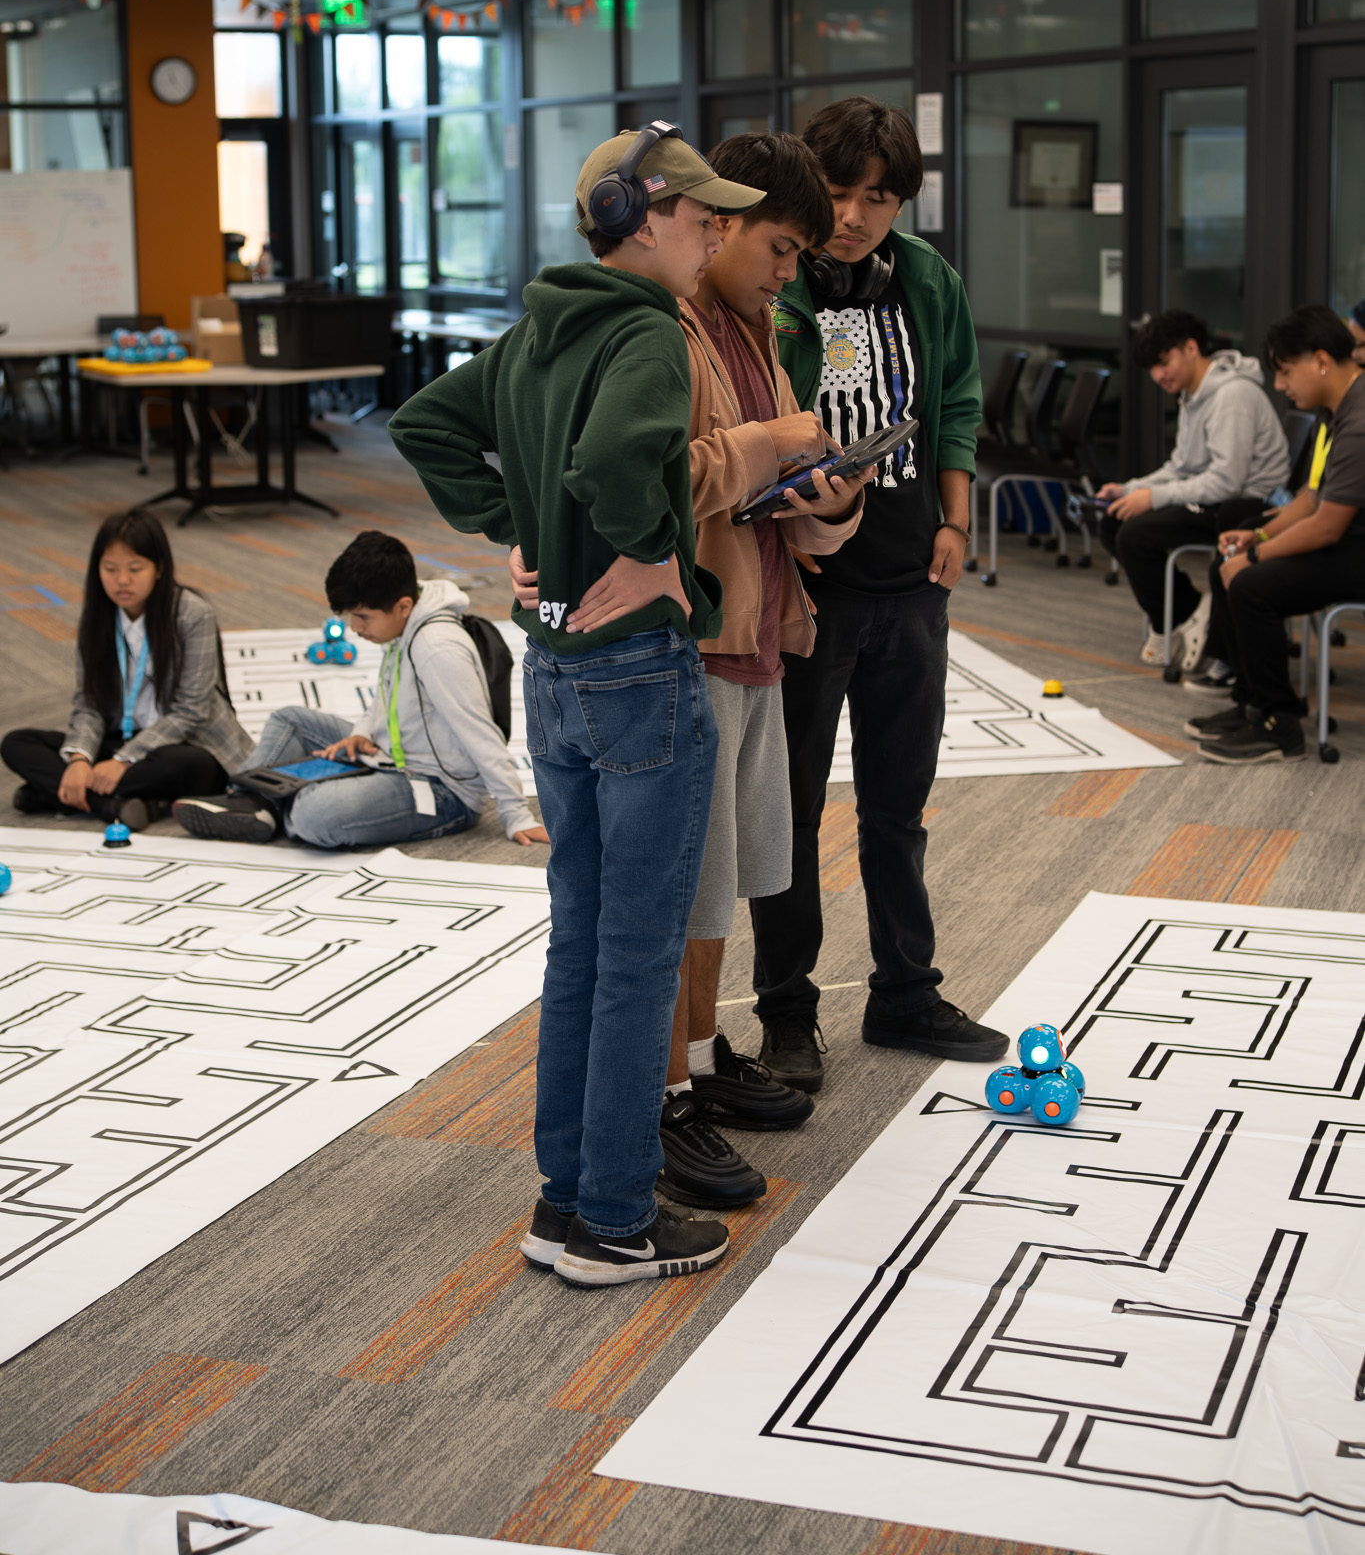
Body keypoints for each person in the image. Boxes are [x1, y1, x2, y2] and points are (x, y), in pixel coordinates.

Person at [390, 125, 769, 1288]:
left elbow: (426, 425)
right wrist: (660, 557)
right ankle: (612, 1216)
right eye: (699, 214)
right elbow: (616, 464)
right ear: (642, 217)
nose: (713, 232)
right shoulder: (653, 331)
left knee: (583, 947)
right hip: (639, 675)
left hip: (552, 670)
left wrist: (515, 533)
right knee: (639, 953)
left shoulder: (534, 331)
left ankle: (565, 1199)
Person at [752, 95, 1007, 1096]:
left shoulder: (927, 278)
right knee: (795, 806)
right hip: (810, 582)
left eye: (878, 196)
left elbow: (955, 399)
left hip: (911, 582)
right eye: (842, 192)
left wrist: (954, 518)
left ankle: (905, 988)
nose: (855, 215)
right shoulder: (775, 278)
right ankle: (786, 1009)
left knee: (897, 808)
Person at [653, 131, 870, 1210]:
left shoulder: (759, 328)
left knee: (718, 882)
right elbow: (657, 483)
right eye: (779, 248)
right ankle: (669, 1091)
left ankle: (698, 1056)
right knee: (677, 887)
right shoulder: (661, 326)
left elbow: (784, 497)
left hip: (761, 630)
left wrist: (827, 494)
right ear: (717, 221)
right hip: (691, 639)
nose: (790, 274)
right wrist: (777, 445)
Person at [174, 531, 545, 852]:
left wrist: (514, 813)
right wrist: (361, 733)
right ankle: (251, 802)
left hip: (439, 789)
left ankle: (265, 807)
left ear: (402, 606)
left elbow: (480, 732)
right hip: (386, 754)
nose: (354, 628)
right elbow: (388, 693)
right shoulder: (408, 617)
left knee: (313, 813)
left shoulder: (437, 648)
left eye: (363, 617)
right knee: (290, 720)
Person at [1187, 304, 1365, 765]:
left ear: (1321, 361)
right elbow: (1310, 498)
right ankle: (1252, 704)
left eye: (1286, 372)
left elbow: (1326, 526)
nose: (1281, 386)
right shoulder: (1338, 408)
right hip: (1347, 540)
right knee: (1230, 554)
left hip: (1356, 551)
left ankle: (1279, 725)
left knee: (1250, 584)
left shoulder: (1360, 421)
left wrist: (1256, 560)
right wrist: (1257, 539)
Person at [2, 506, 249, 830]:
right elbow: (88, 704)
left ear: (159, 568)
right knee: (16, 743)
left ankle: (55, 794)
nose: (122, 581)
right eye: (110, 569)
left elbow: (191, 713)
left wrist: (122, 760)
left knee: (183, 765)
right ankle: (112, 805)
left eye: (135, 568)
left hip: (186, 745)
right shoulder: (98, 617)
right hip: (120, 739)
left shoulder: (192, 614)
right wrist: (80, 759)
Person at [1094, 311, 1290, 673]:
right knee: (1113, 520)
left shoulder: (1232, 395)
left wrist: (1152, 499)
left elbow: (1225, 481)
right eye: (1152, 368)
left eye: (1163, 362)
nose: (1158, 375)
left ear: (1191, 347)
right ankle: (1184, 613)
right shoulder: (1192, 394)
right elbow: (1182, 465)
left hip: (1246, 507)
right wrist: (1129, 490)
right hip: (1215, 499)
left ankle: (1180, 614)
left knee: (1134, 534)